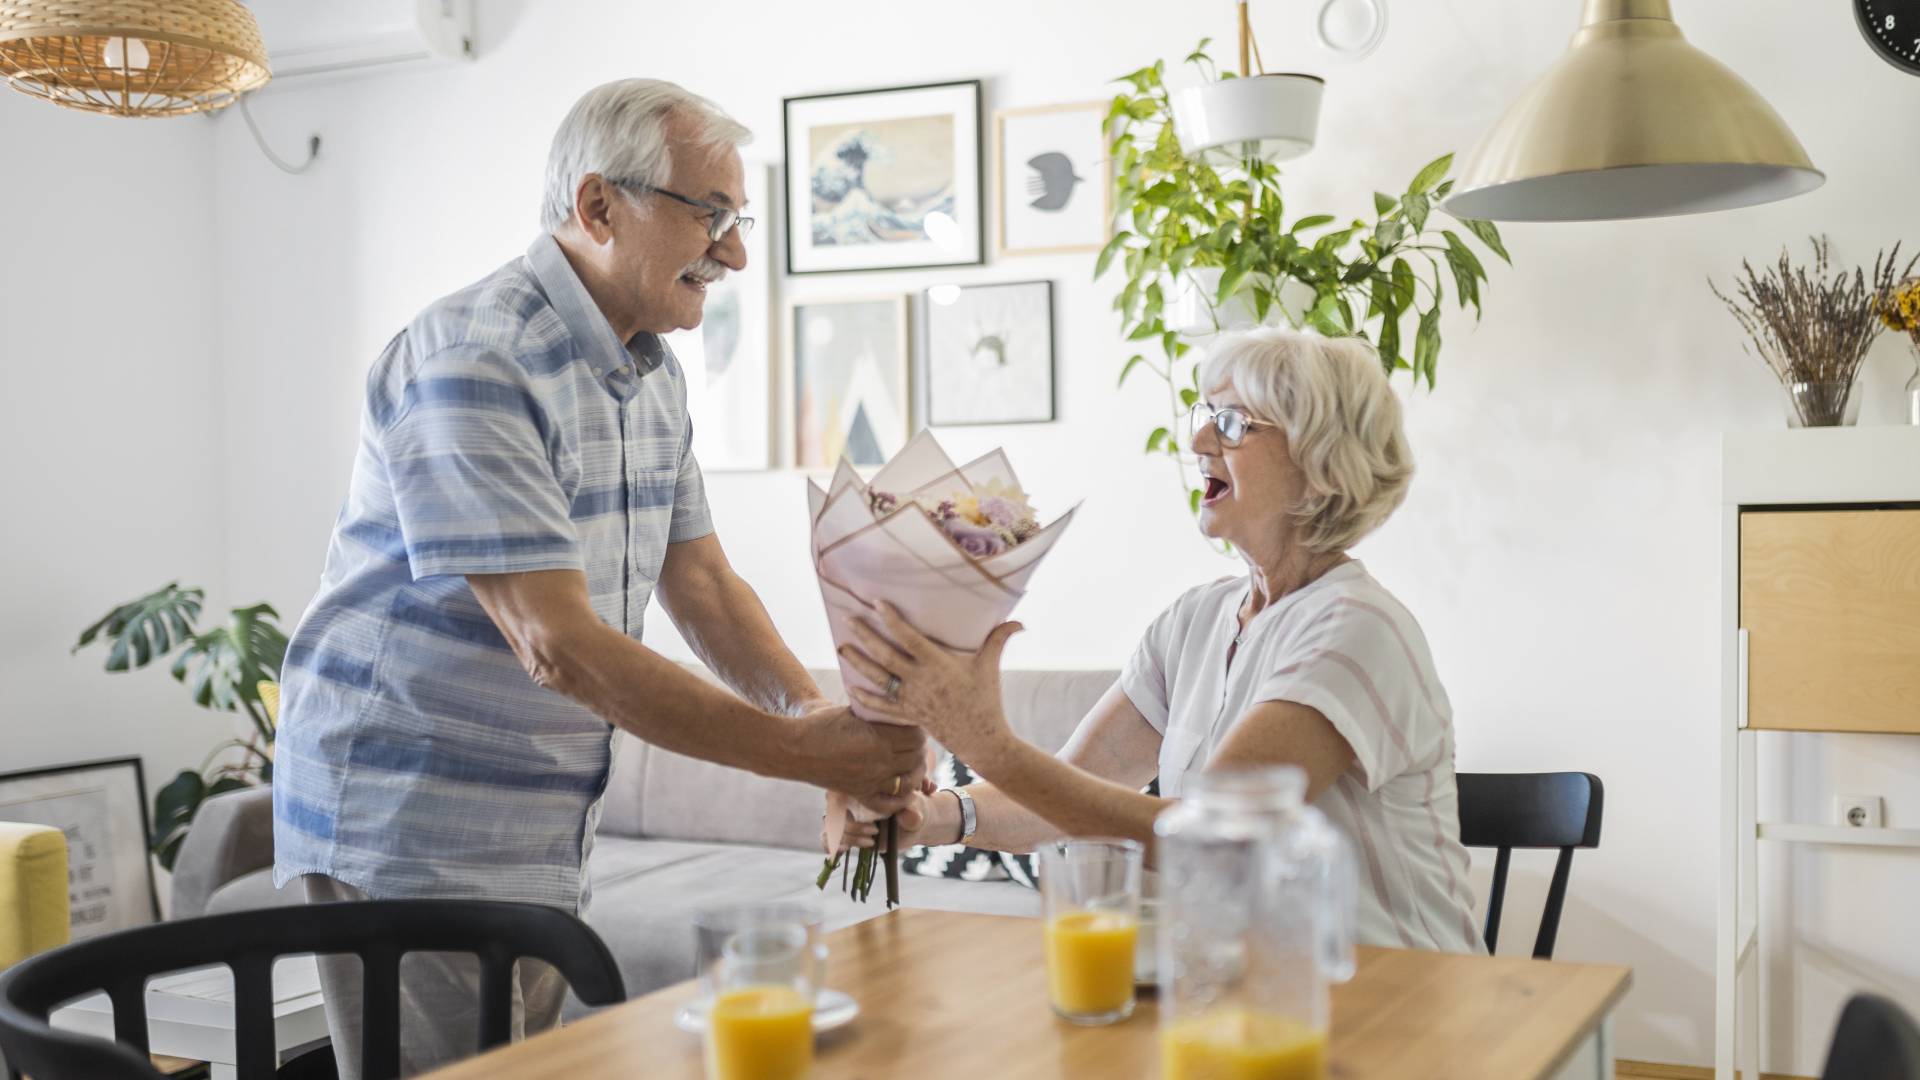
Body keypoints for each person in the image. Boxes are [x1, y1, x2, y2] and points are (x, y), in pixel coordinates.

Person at [272, 79, 926, 1078]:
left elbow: (700, 580)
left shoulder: (651, 371)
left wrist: (809, 712)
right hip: (411, 823)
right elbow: (557, 644)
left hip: (537, 826)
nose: (738, 252)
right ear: (598, 207)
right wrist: (810, 758)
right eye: (712, 216)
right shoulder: (473, 357)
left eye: (737, 220)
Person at [832, 328, 1482, 954]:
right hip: (1249, 995)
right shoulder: (1194, 621)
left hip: (1397, 997)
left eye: (1232, 423)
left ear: (1320, 462)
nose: (1198, 437)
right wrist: (930, 818)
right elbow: (1068, 793)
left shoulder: (1356, 629)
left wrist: (983, 741)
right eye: (1205, 413)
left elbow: (1204, 841)